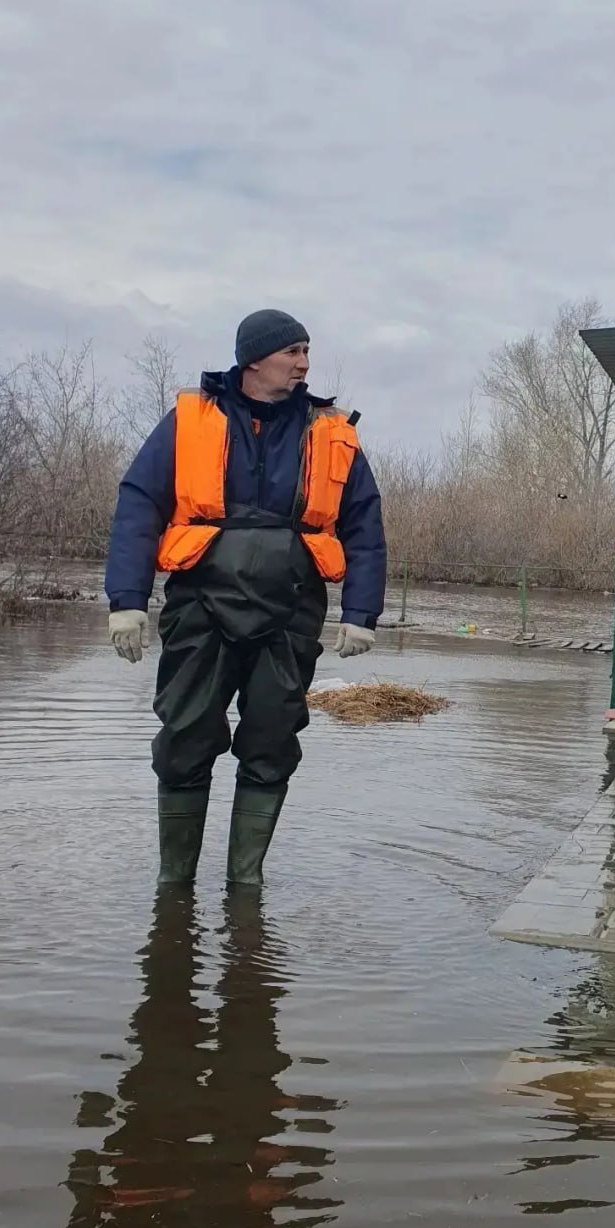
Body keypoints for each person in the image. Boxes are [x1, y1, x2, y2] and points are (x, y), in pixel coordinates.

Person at [104, 310, 386, 887]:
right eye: (293, 351)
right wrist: (126, 599)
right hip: (200, 607)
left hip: (290, 612)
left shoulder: (329, 430)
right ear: (254, 358)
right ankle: (174, 886)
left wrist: (362, 613)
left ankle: (245, 886)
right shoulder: (189, 421)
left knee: (272, 740)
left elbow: (364, 523)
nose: (304, 363)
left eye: (307, 351)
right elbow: (139, 502)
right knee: (185, 736)